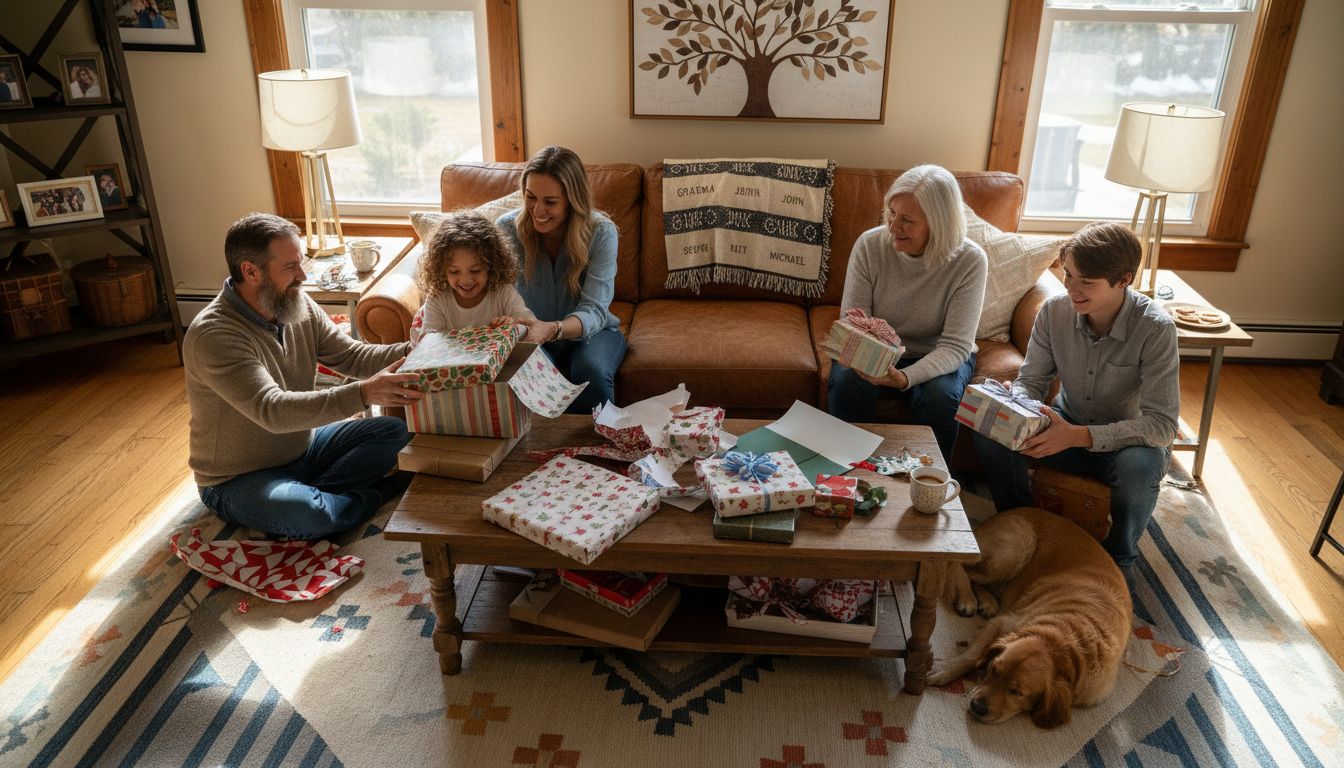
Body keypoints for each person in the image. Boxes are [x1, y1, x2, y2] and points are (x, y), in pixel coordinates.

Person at [184, 212, 426, 539]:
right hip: (238, 478)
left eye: (301, 263)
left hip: (304, 448)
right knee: (306, 515)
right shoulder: (214, 336)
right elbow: (273, 411)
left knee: (395, 431)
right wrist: (364, 394)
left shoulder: (295, 302)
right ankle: (367, 497)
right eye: (290, 267)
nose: (302, 275)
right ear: (250, 271)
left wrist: (419, 349)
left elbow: (351, 356)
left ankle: (318, 497)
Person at [972, 221, 1180, 586]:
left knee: (1141, 465)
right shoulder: (1054, 313)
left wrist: (1078, 436)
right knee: (990, 430)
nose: (1071, 288)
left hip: (1126, 443)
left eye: (1086, 281)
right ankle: (1023, 521)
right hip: (1063, 426)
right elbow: (1032, 381)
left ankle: (1120, 555)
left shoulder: (1156, 329)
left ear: (1123, 280)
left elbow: (1162, 426)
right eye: (1068, 275)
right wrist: (1016, 405)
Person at [827, 164, 988, 461]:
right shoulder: (869, 245)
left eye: (907, 220)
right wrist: (874, 361)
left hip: (936, 353)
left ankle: (928, 481)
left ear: (938, 223)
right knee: (848, 381)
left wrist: (903, 377)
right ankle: (842, 470)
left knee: (940, 396)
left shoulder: (970, 261)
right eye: (891, 213)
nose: (892, 226)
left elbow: (955, 345)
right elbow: (855, 324)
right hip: (875, 348)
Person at [497, 145, 625, 413]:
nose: (537, 209)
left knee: (592, 371)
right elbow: (497, 296)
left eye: (550, 202)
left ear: (572, 200)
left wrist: (552, 329)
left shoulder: (601, 232)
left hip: (593, 333)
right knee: (529, 377)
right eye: (531, 197)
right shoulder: (506, 229)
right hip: (531, 335)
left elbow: (594, 310)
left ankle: (603, 447)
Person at [415, 211, 536, 339]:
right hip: (453, 359)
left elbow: (530, 324)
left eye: (475, 270)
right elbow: (427, 342)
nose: (466, 280)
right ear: (441, 270)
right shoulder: (438, 297)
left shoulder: (502, 291)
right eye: (454, 271)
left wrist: (514, 326)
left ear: (491, 266)